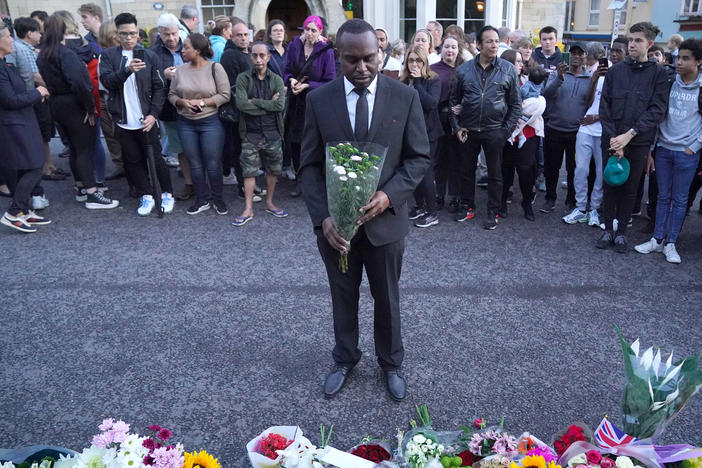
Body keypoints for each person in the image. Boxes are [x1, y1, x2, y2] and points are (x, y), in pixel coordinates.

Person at [299, 19, 430, 402]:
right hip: (334, 228)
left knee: (387, 296)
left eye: (369, 58)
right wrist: (323, 216)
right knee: (342, 293)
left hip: (385, 225)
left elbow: (419, 158)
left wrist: (389, 195)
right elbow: (307, 165)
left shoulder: (404, 97)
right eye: (351, 60)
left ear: (381, 54)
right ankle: (344, 358)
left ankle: (390, 363)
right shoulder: (318, 101)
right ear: (337, 56)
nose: (361, 68)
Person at [597, 22, 669, 253]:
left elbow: (657, 110)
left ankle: (622, 234)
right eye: (631, 39)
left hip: (637, 141)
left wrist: (629, 136)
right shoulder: (616, 70)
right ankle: (607, 229)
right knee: (609, 185)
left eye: (638, 40)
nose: (632, 44)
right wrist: (614, 140)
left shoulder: (658, 73)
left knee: (630, 187)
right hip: (612, 140)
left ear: (649, 43)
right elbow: (605, 106)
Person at [37, 13, 118, 210]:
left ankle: (81, 187)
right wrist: (90, 108)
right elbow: (80, 83)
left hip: (56, 103)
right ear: (64, 30)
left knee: (74, 148)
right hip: (74, 104)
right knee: (84, 148)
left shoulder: (43, 54)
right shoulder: (65, 53)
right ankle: (92, 193)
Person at [635, 38, 702, 264]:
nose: (679, 62)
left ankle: (670, 243)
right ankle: (657, 239)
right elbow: (658, 115)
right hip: (663, 148)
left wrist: (694, 147)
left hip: (687, 153)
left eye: (686, 58)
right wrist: (653, 149)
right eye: (678, 57)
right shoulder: (670, 82)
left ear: (698, 62)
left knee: (680, 200)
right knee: (662, 197)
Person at [99, 12, 174, 216]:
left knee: (157, 159)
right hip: (123, 120)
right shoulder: (108, 56)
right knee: (132, 160)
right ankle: (146, 194)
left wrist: (153, 115)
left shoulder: (149, 56)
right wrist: (126, 70)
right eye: (124, 34)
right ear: (117, 34)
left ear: (138, 33)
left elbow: (160, 88)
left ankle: (167, 193)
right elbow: (106, 82)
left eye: (133, 33)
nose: (129, 38)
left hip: (146, 119)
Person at [449, 25, 521, 230]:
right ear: (478, 45)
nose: (494, 45)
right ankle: (467, 206)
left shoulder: (507, 69)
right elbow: (453, 101)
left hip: (495, 131)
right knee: (466, 171)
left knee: (495, 174)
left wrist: (505, 132)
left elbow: (516, 104)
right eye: (489, 41)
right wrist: (457, 127)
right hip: (469, 130)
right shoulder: (464, 70)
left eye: (496, 41)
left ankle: (493, 211)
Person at [168, 33, 231, 215]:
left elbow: (225, 94)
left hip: (211, 122)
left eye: (186, 47)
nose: (182, 50)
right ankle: (201, 199)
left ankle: (218, 199)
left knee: (213, 163)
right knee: (194, 164)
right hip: (186, 122)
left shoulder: (215, 68)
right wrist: (181, 102)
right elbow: (171, 95)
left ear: (197, 50)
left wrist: (203, 103)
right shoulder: (179, 70)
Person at [0, 20, 52, 232]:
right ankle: (14, 211)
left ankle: (22, 211)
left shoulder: (5, 64)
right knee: (34, 165)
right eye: (7, 36)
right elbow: (9, 99)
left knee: (24, 168)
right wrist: (37, 93)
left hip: (21, 121)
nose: (11, 39)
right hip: (13, 124)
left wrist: (32, 96)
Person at [232, 41, 287, 226]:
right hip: (251, 133)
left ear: (268, 57)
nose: (258, 59)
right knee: (249, 172)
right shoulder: (243, 79)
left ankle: (270, 203)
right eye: (254, 55)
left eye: (262, 55)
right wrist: (267, 104)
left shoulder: (277, 80)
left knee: (273, 170)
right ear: (250, 57)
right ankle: (248, 208)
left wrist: (254, 101)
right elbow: (241, 105)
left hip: (273, 133)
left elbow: (280, 106)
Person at [283, 15, 335, 195]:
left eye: (314, 30)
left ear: (320, 31)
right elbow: (287, 69)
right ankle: (300, 180)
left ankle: (317, 182)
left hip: (315, 103)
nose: (310, 33)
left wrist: (308, 85)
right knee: (295, 142)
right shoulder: (294, 45)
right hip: (296, 103)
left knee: (314, 142)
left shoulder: (326, 50)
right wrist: (290, 80)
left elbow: (330, 81)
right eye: (307, 29)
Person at [58, 10, 107, 191]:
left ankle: (82, 185)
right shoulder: (88, 45)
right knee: (93, 143)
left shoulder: (59, 49)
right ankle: (98, 182)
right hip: (90, 98)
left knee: (77, 147)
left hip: (68, 103)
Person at [539, 42, 590, 215]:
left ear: (585, 56)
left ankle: (571, 200)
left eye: (579, 53)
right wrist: (559, 78)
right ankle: (550, 198)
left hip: (576, 132)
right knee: (551, 168)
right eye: (573, 53)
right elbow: (546, 94)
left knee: (573, 168)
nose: (576, 56)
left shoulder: (590, 78)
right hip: (554, 127)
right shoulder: (557, 73)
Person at [564, 43, 607, 227]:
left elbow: (616, 106)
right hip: (585, 129)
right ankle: (581, 207)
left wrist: (597, 117)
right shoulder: (592, 73)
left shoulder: (613, 74)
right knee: (580, 169)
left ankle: (594, 209)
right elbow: (587, 101)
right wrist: (594, 79)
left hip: (603, 129)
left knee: (600, 172)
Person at [500, 48, 543, 221]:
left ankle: (526, 202)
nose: (521, 64)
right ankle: (502, 201)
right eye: (517, 61)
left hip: (528, 133)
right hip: (506, 133)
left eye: (520, 61)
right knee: (505, 169)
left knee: (526, 169)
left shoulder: (528, 82)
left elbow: (538, 104)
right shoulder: (498, 83)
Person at [151, 13, 191, 201]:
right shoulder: (154, 53)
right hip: (171, 108)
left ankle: (201, 182)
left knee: (198, 145)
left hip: (195, 104)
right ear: (159, 33)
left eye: (174, 33)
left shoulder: (189, 46)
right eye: (166, 34)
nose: (172, 38)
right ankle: (190, 184)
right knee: (181, 148)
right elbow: (149, 81)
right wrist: (162, 75)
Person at [221, 21, 262, 201]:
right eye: (239, 35)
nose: (244, 38)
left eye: (246, 35)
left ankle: (251, 186)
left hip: (251, 111)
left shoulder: (248, 52)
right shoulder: (230, 55)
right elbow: (233, 86)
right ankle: (243, 189)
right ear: (232, 36)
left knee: (250, 151)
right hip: (239, 113)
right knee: (241, 151)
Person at [401, 45, 441, 228]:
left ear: (425, 62)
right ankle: (420, 205)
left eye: (418, 60)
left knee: (426, 171)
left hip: (429, 132)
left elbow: (431, 104)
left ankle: (433, 212)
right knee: (411, 169)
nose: (414, 64)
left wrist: (417, 82)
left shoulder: (433, 80)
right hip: (409, 132)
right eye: (411, 60)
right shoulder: (402, 81)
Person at [432, 35, 465, 213]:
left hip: (459, 121)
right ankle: (438, 195)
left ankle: (455, 196)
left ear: (458, 50)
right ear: (441, 49)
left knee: (456, 159)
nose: (449, 50)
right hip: (438, 118)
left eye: (453, 47)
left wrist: (464, 106)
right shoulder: (432, 69)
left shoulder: (465, 69)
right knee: (439, 159)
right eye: (446, 47)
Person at [99, 20, 127, 182]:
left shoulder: (119, 54)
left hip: (115, 98)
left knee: (121, 135)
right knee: (111, 135)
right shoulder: (106, 54)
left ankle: (128, 165)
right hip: (106, 97)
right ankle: (121, 165)